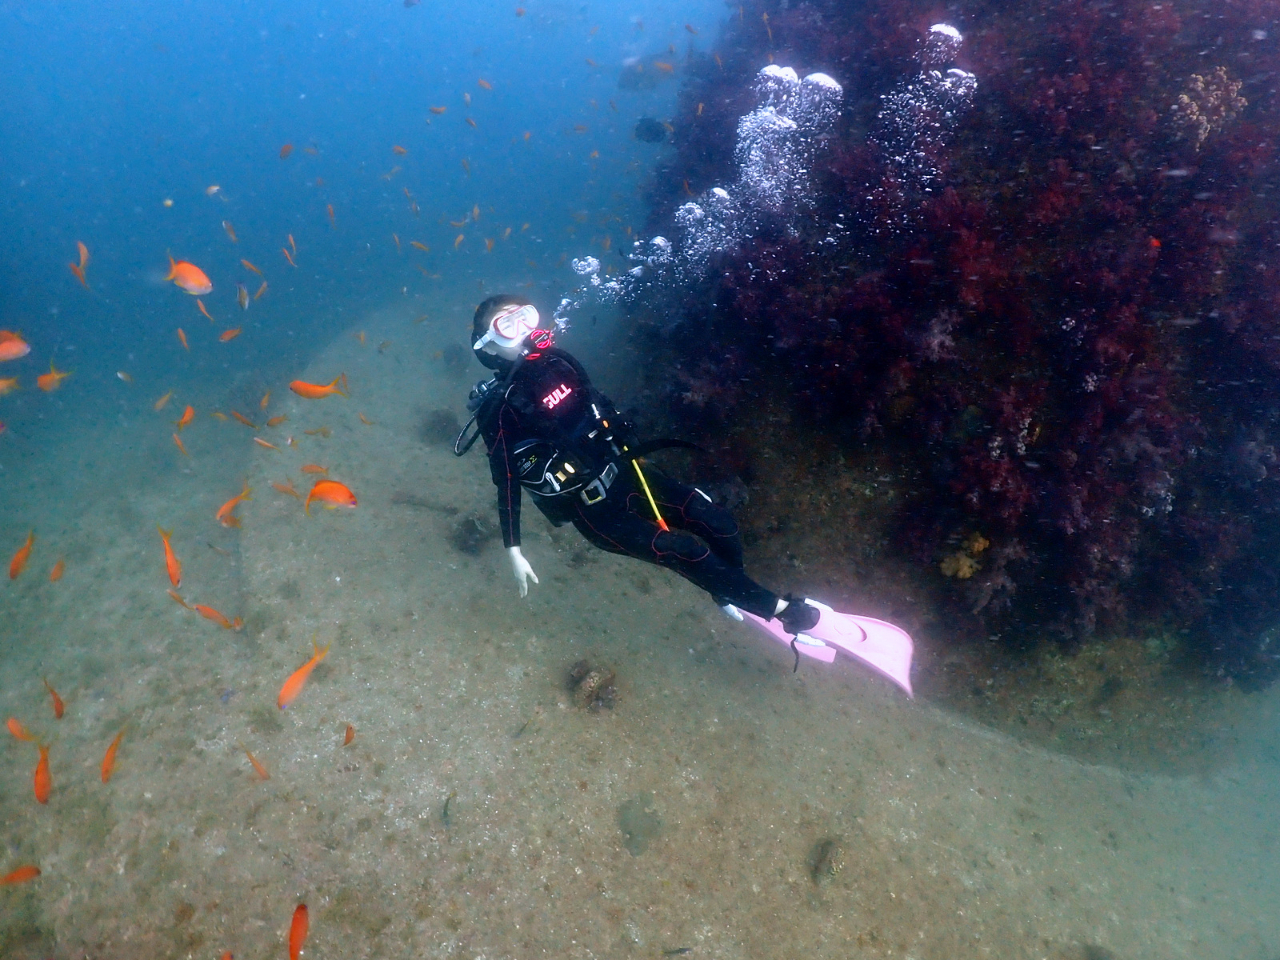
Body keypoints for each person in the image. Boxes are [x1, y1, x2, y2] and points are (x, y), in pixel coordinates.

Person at [453, 294, 823, 639]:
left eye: (526, 317)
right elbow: (506, 480)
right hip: (594, 509)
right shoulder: (499, 409)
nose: (523, 330)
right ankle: (783, 611)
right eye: (508, 325)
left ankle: (730, 590)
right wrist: (513, 548)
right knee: (685, 550)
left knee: (717, 521)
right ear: (487, 344)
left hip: (629, 472)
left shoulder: (561, 364)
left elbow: (601, 411)